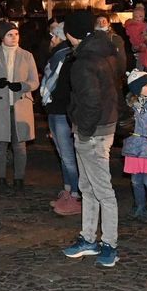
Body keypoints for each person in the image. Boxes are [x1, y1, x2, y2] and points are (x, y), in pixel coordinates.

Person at [61, 10, 121, 268]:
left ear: (70, 34)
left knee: (102, 190)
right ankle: (88, 238)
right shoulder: (106, 50)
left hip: (93, 132)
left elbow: (91, 101)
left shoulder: (84, 61)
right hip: (104, 125)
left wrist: (83, 131)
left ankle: (109, 243)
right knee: (88, 188)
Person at [0, 19, 39, 194]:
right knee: (1, 143)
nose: (14, 38)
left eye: (16, 34)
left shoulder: (27, 55)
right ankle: (1, 178)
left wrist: (23, 86)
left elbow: (34, 81)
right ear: (2, 37)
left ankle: (19, 178)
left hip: (21, 105)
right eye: (10, 35)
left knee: (20, 145)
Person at [41, 21, 80, 216]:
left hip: (63, 111)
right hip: (55, 109)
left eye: (55, 36)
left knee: (68, 155)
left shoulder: (67, 57)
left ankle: (75, 194)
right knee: (62, 154)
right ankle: (67, 190)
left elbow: (65, 86)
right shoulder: (58, 56)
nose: (52, 39)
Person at [124, 70, 147, 221]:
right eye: (145, 85)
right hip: (133, 146)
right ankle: (139, 204)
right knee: (135, 181)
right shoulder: (130, 104)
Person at [124, 3, 147, 69]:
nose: (138, 18)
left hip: (143, 48)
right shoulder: (132, 26)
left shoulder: (145, 24)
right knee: (140, 65)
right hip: (138, 48)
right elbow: (134, 38)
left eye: (140, 16)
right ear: (133, 17)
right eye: (136, 17)